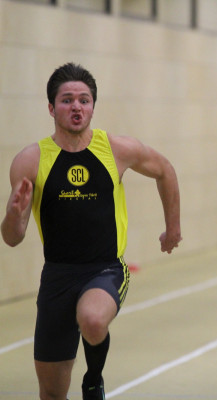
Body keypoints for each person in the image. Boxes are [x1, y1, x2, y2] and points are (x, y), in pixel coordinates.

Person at [1, 63, 182, 400]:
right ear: (51, 108)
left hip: (105, 269)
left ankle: (93, 379)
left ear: (93, 107)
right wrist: (13, 215)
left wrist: (172, 228)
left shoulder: (116, 149)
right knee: (51, 393)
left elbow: (165, 170)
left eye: (84, 100)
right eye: (67, 100)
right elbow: (13, 238)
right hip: (57, 276)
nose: (77, 107)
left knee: (93, 320)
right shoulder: (30, 160)